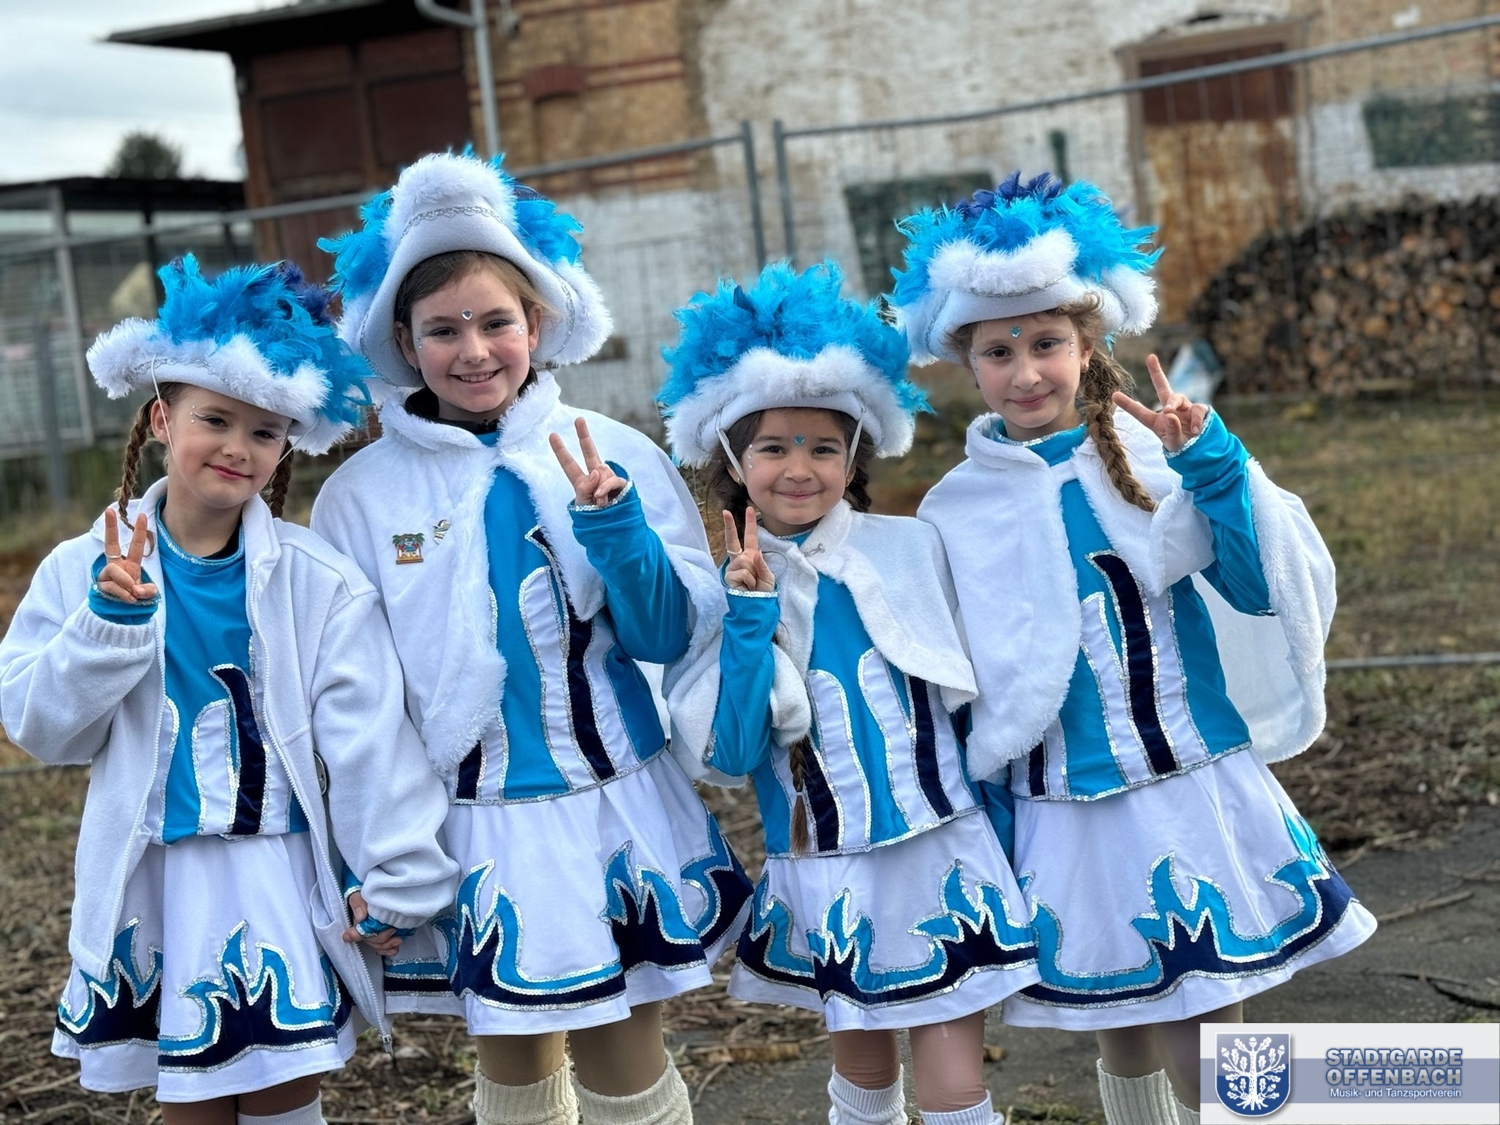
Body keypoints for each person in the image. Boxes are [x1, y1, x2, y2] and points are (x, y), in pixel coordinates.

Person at [891, 173, 1377, 1125]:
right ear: (966, 361)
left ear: (1088, 343)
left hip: (1188, 783)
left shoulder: (1157, 453)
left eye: (1045, 343)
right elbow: (967, 680)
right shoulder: (954, 508)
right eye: (998, 351)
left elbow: (1258, 588)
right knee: (1119, 1017)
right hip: (1062, 805)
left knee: (1207, 1027)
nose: (1025, 372)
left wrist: (1215, 468)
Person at [312, 150, 751, 1125]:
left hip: (614, 804)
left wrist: (615, 527)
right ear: (402, 340)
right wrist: (382, 851)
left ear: (538, 322)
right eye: (443, 329)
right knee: (513, 1065)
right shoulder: (358, 498)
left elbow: (671, 634)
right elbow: (359, 701)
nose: (473, 350)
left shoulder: (614, 453)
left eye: (495, 322)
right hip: (475, 822)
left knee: (625, 1054)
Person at [0, 255, 459, 1125]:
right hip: (155, 880)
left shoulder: (319, 583)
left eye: (266, 431)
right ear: (162, 417)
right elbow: (42, 728)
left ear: (288, 444)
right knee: (194, 1100)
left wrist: (396, 871)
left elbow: (366, 738)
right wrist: (108, 626)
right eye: (214, 419)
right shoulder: (82, 568)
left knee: (285, 1091)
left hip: (274, 870)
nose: (238, 448)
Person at [659, 261, 1040, 1125]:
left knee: (954, 1088)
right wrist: (750, 619)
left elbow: (973, 704)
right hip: (826, 871)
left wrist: (1005, 830)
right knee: (863, 1084)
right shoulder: (722, 593)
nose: (800, 468)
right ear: (733, 460)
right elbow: (730, 750)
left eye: (823, 447)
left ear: (855, 455)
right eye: (773, 447)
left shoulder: (909, 549)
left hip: (941, 853)